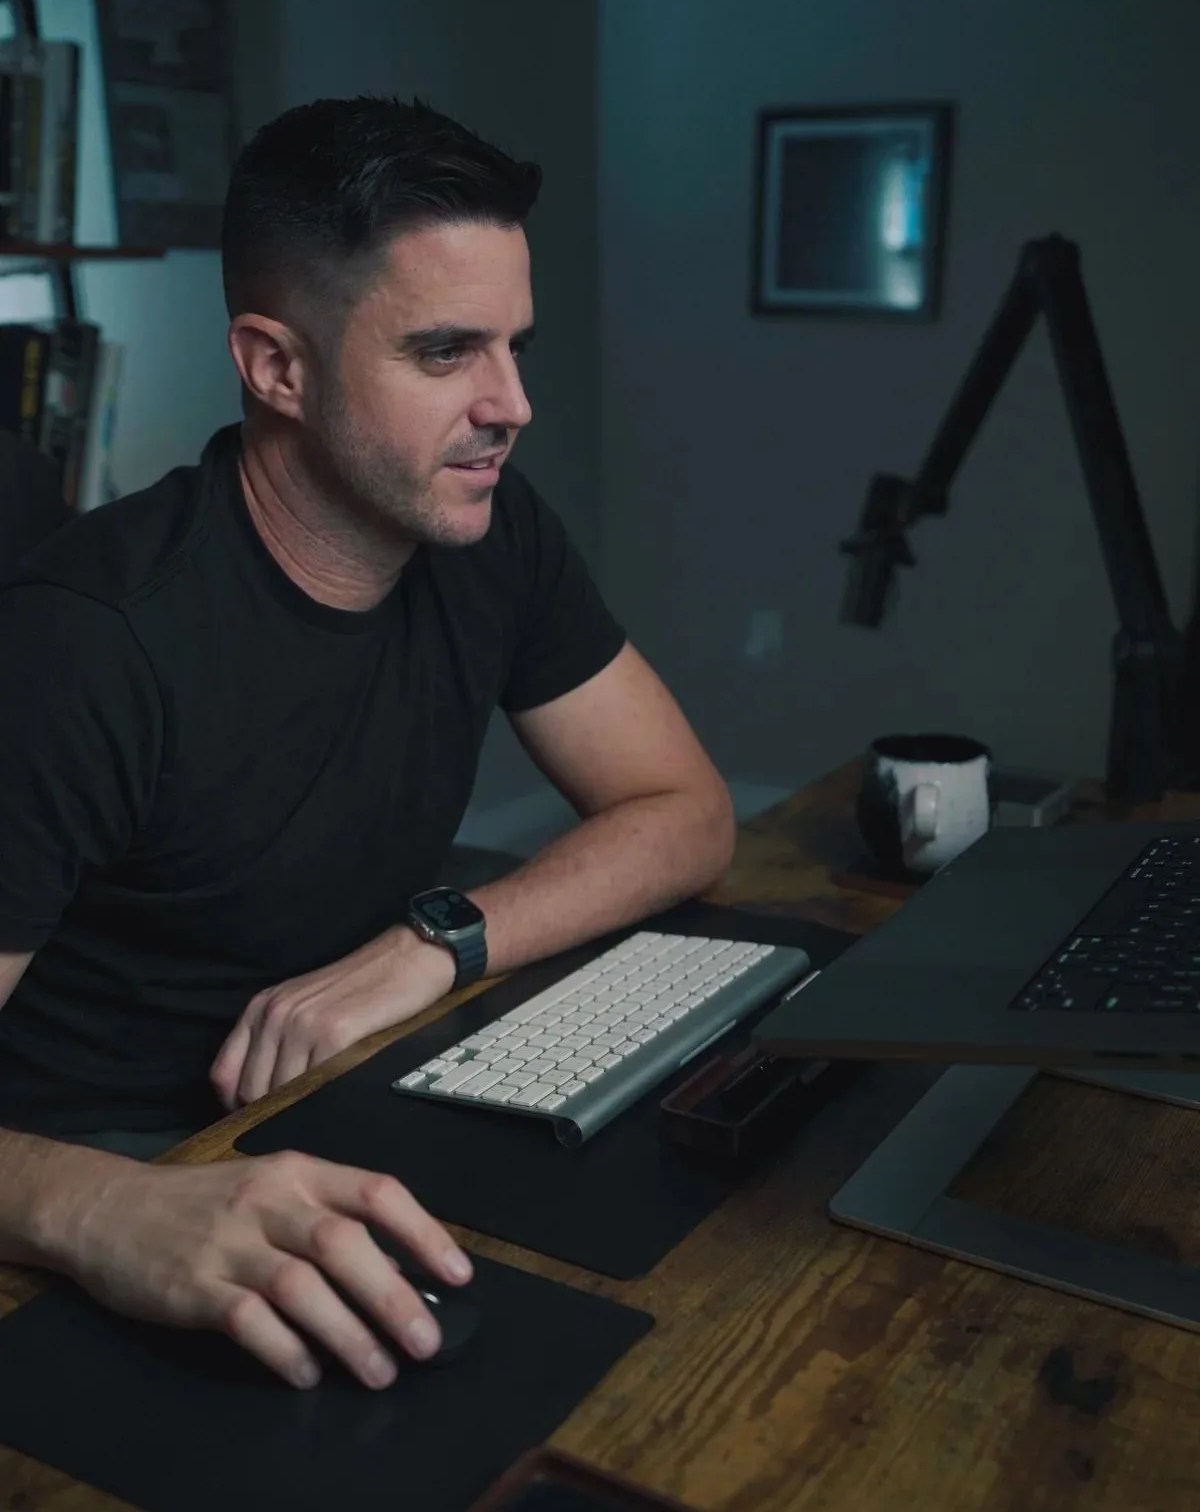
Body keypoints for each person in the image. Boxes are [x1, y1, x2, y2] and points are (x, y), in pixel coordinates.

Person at [0, 96, 734, 1391]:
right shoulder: (85, 645)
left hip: (346, 1088)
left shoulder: (493, 532)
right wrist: (109, 1210)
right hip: (99, 1167)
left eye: (515, 347)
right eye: (447, 351)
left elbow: (685, 809)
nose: (512, 405)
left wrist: (433, 946)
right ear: (276, 366)